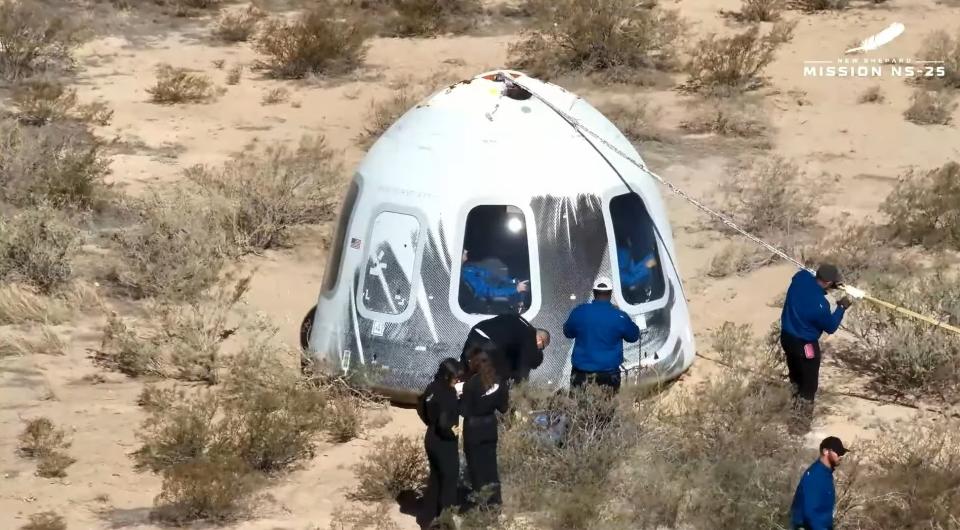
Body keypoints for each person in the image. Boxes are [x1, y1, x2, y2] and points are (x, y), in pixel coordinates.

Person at [780, 264, 855, 433]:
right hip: (805, 345)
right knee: (809, 385)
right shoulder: (820, 306)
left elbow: (804, 272)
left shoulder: (801, 279)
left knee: (796, 378)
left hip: (787, 337)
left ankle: (794, 409)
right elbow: (831, 326)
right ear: (828, 282)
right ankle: (799, 427)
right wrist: (842, 307)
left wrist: (830, 285)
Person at [562, 277, 641, 393]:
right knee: (607, 409)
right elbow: (634, 336)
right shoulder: (620, 316)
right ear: (610, 293)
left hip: (580, 374)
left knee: (579, 408)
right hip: (609, 376)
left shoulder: (579, 312)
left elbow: (567, 332)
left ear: (594, 292)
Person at [460, 347, 509, 511]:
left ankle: (481, 506)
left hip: (473, 429)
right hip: (490, 428)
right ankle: (495, 504)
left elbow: (464, 411)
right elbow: (503, 408)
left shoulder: (470, 384)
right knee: (490, 468)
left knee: (476, 469)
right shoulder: (500, 381)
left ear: (474, 363)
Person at [416, 358, 463, 526]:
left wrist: (431, 422)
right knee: (449, 482)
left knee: (435, 480)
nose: (458, 381)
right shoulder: (448, 393)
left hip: (431, 438)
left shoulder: (432, 387)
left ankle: (428, 519)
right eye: (456, 377)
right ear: (447, 376)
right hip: (444, 443)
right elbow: (446, 424)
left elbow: (420, 407)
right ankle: (445, 522)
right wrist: (458, 433)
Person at [460, 313, 550, 384]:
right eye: (541, 348)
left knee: (464, 371)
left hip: (476, 333)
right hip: (487, 342)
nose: (538, 349)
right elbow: (522, 368)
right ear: (539, 340)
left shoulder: (520, 322)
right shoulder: (529, 337)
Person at [790, 436, 849, 530]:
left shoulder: (825, 474)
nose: (840, 456)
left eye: (842, 453)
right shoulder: (816, 475)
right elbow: (811, 513)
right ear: (825, 451)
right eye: (838, 452)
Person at [460, 249, 528, 313]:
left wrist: (512, 281)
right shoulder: (466, 275)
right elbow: (487, 292)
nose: (466, 250)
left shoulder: (469, 268)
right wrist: (515, 289)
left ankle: (520, 305)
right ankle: (519, 307)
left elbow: (490, 275)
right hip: (482, 302)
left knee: (522, 283)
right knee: (517, 292)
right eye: (463, 250)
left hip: (491, 289)